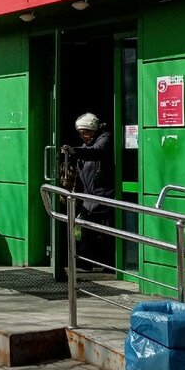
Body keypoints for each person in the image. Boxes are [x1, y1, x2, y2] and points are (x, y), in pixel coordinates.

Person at [62, 112, 115, 271]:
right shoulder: (86, 146)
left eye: (85, 132)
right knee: (82, 229)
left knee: (101, 232)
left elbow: (97, 151)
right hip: (89, 197)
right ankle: (85, 261)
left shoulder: (105, 139)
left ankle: (106, 263)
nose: (83, 136)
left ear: (93, 129)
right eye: (80, 133)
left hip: (103, 196)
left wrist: (74, 151)